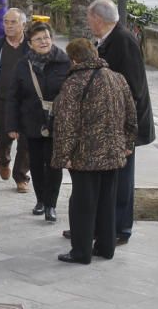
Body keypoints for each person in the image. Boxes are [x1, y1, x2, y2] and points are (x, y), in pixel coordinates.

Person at [52, 38, 137, 264]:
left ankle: (81, 252)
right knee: (107, 202)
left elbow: (66, 123)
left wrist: (63, 156)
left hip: (85, 155)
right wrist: (127, 144)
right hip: (113, 154)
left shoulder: (75, 82)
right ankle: (106, 247)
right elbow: (131, 115)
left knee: (83, 205)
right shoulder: (118, 79)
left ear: (74, 59)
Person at [87, 0, 154, 245]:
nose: (87, 22)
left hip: (125, 126)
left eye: (89, 18)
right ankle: (98, 227)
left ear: (98, 19)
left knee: (122, 179)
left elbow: (133, 89)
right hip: (111, 123)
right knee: (108, 178)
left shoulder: (123, 41)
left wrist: (127, 132)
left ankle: (120, 229)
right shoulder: (108, 40)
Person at [5, 22, 70, 222]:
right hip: (31, 121)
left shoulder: (65, 62)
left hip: (57, 122)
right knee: (35, 162)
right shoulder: (23, 65)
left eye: (46, 37)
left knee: (54, 164)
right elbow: (13, 96)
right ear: (30, 43)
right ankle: (40, 199)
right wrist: (12, 125)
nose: (43, 42)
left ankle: (51, 204)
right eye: (38, 39)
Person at [0, 9, 32, 193]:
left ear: (23, 25)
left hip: (27, 102)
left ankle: (21, 177)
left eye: (13, 22)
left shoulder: (31, 45)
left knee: (26, 141)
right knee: (3, 138)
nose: (9, 26)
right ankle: (4, 161)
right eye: (6, 22)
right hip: (2, 101)